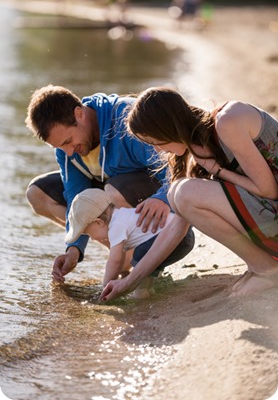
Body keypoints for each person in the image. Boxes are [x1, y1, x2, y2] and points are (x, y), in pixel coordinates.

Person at [100, 86, 278, 301]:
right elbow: (177, 226)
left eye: (156, 142)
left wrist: (217, 170)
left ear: (168, 127)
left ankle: (266, 269)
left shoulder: (228, 120)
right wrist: (129, 282)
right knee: (178, 193)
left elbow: (268, 189)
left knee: (183, 191)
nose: (158, 150)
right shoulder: (195, 151)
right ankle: (261, 266)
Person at [25, 85, 171, 284]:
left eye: (68, 141)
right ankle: (121, 252)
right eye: (60, 147)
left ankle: (143, 251)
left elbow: (173, 170)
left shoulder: (127, 118)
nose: (69, 152)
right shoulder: (67, 151)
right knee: (37, 194)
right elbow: (77, 197)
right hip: (115, 194)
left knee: (113, 190)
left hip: (154, 197)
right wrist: (74, 249)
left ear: (79, 114)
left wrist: (162, 199)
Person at [65, 188, 194, 299]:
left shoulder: (115, 226)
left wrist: (105, 288)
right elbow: (120, 259)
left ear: (99, 222)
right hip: (184, 234)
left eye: (88, 233)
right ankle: (150, 290)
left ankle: (141, 295)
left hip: (173, 237)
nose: (92, 238)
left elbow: (114, 260)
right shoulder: (123, 215)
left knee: (140, 253)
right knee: (143, 257)